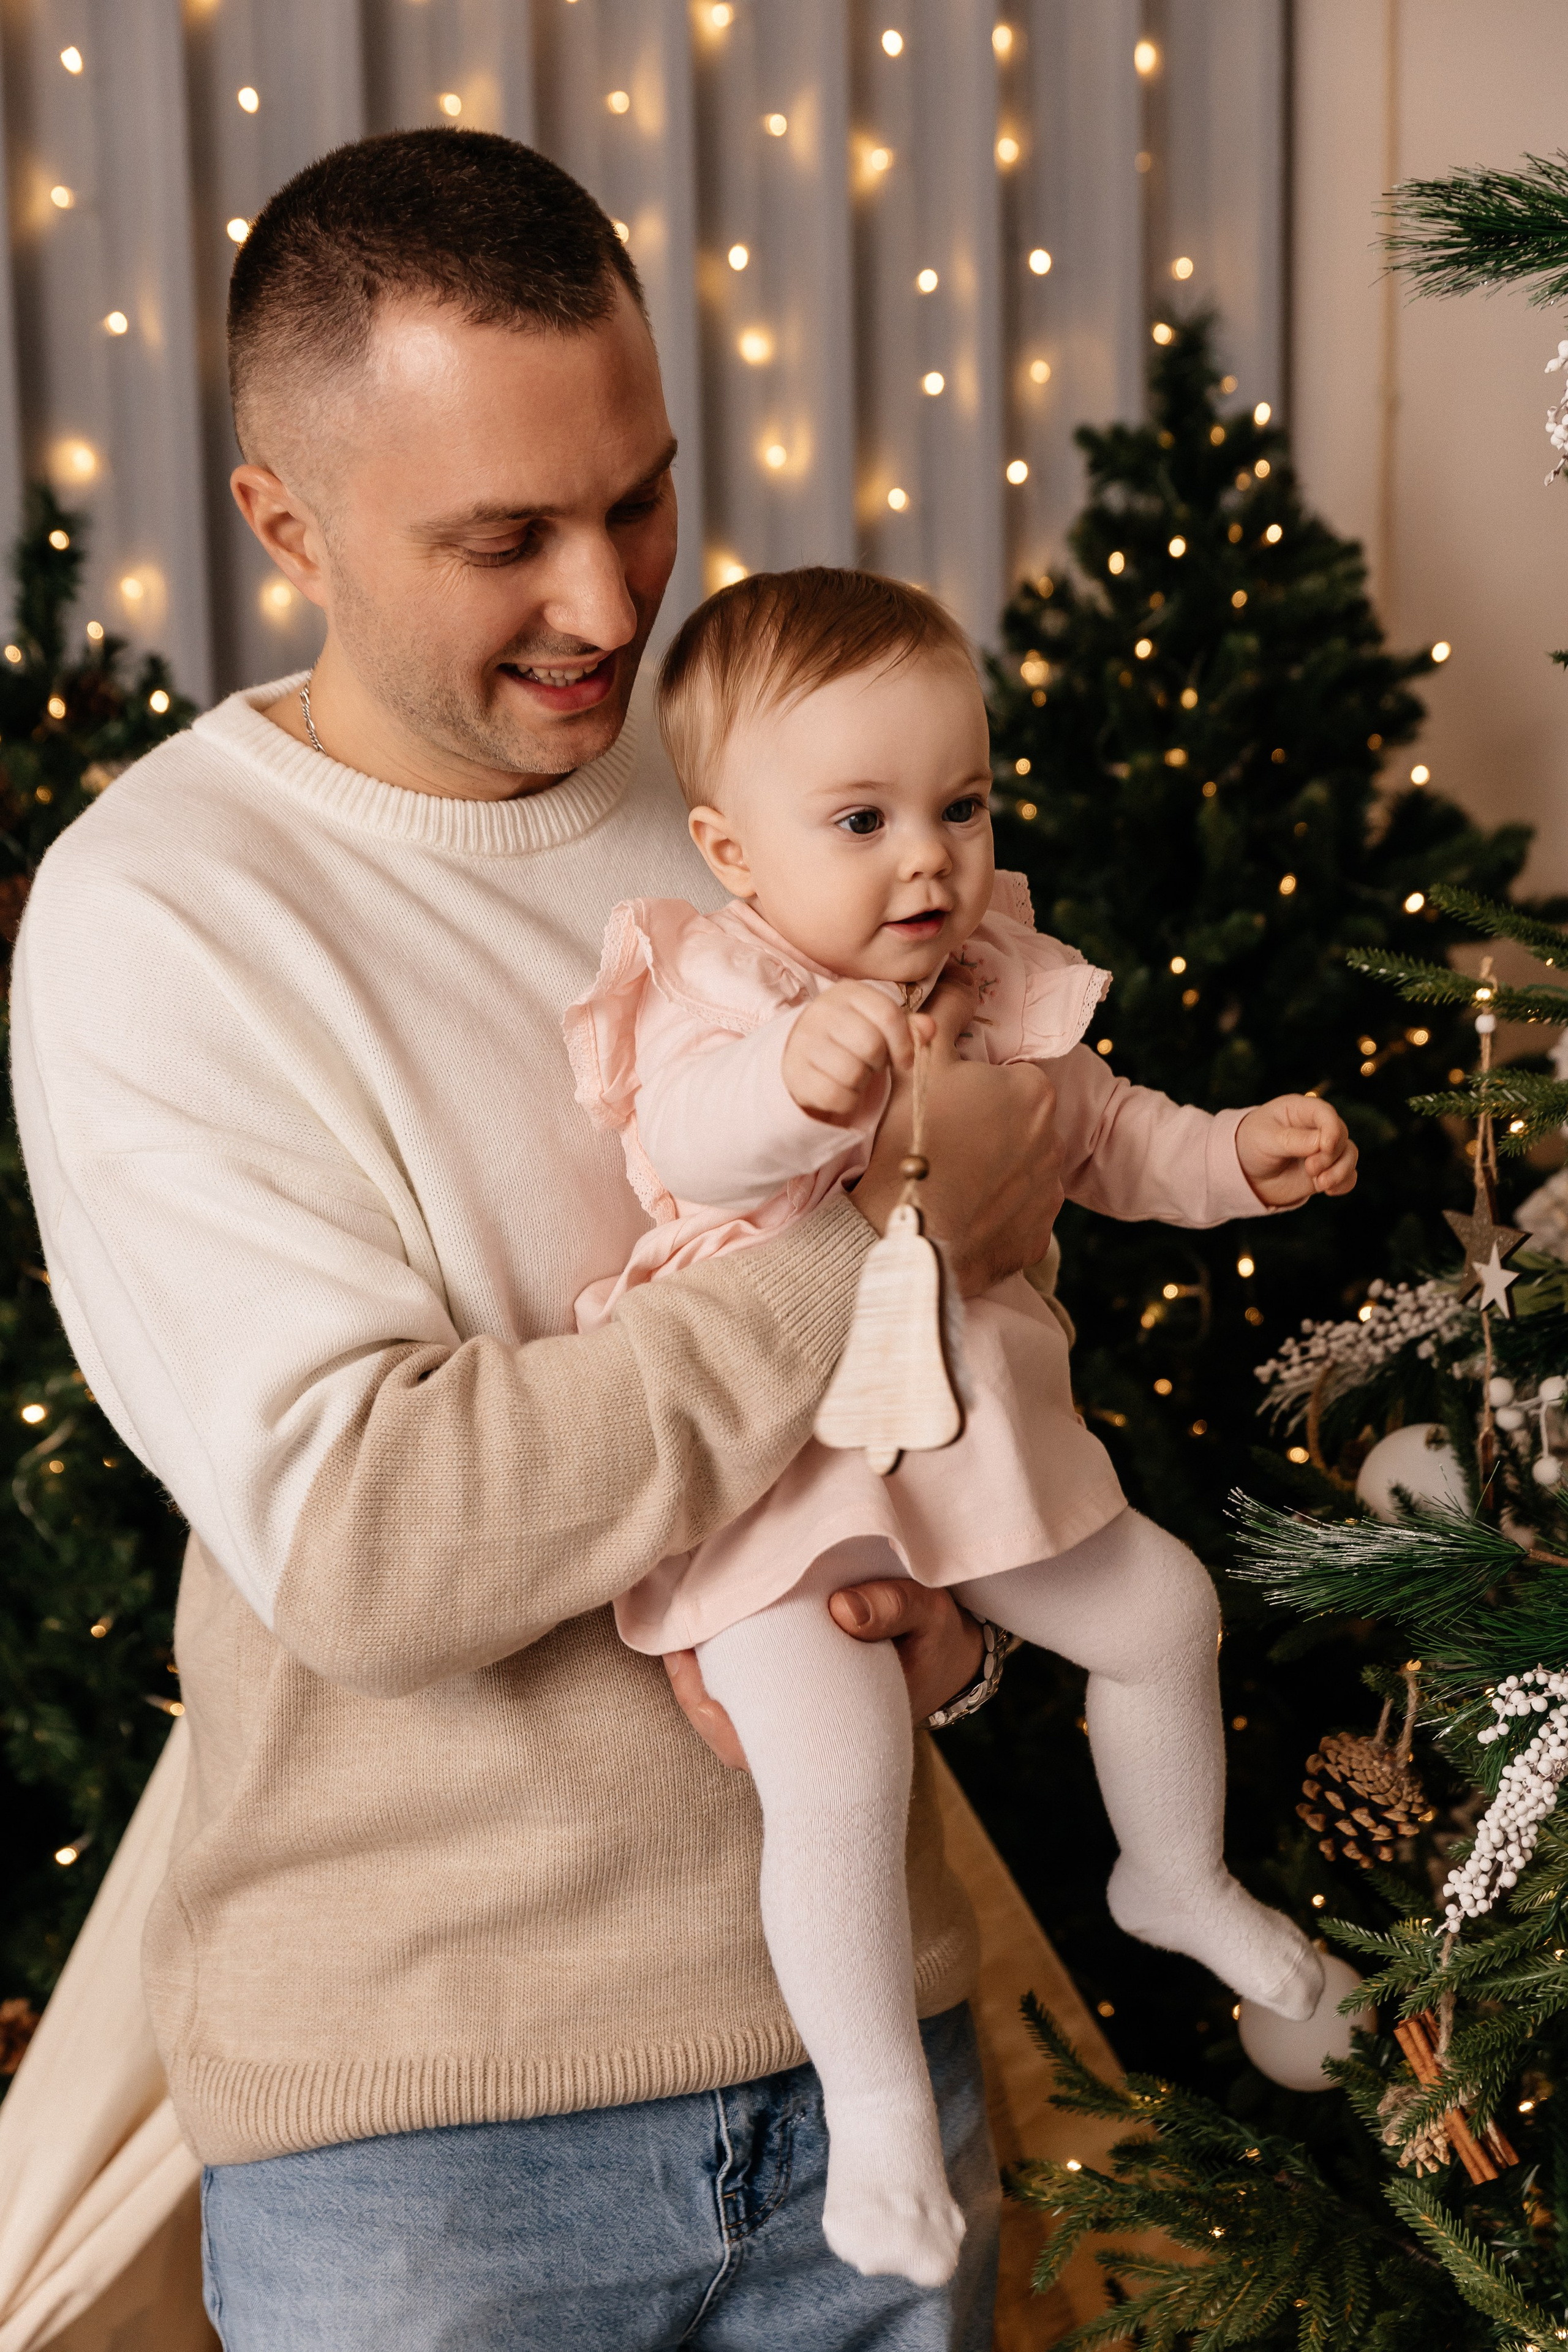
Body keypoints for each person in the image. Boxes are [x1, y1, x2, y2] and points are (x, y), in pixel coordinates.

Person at [9, 130, 1066, 2351]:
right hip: (430, 2158)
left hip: (872, 2054)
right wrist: (872, 1251)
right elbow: (382, 1546)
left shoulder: (774, 793)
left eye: (642, 498)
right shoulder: (162, 919)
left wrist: (949, 1616)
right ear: (286, 523)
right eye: (505, 541)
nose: (607, 601)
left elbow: (992, 1297)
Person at [564, 565, 1359, 2288]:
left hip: (975, 1446)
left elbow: (1110, 1139)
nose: (929, 858)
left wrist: (1240, 1158)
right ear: (732, 852)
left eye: (963, 805)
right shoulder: (723, 990)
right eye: (863, 820)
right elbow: (684, 1144)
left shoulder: (1002, 982)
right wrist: (795, 1087)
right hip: (781, 1476)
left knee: (1163, 1612)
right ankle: (875, 2114)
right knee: (837, 1763)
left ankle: (1174, 1877)